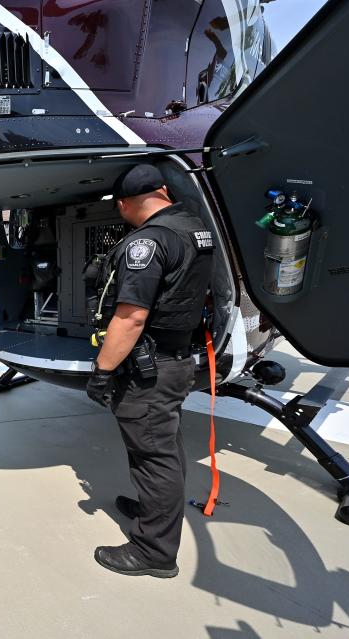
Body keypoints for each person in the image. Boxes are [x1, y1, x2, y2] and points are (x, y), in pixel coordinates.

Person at [85, 164, 213, 578]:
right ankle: (152, 510)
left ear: (124, 204)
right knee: (165, 447)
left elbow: (131, 317)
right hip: (175, 362)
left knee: (152, 456)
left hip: (149, 367)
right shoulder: (193, 227)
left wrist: (103, 371)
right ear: (162, 190)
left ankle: (153, 553)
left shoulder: (147, 243)